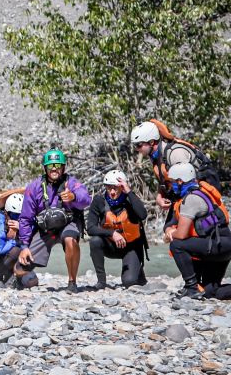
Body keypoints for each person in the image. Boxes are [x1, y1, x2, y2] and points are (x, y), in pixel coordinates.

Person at [16, 149, 92, 292]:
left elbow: (86, 199)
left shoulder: (72, 183)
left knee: (70, 240)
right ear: (45, 168)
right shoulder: (34, 187)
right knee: (20, 268)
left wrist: (73, 197)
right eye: (51, 166)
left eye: (58, 165)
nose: (55, 169)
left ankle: (72, 282)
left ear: (63, 167)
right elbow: (25, 218)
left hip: (68, 223)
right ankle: (21, 278)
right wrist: (24, 246)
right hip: (46, 229)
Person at [164, 163, 231, 299]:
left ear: (180, 181)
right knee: (210, 292)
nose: (170, 185)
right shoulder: (199, 190)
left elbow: (181, 234)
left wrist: (170, 234)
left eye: (171, 182)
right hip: (221, 245)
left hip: (217, 245)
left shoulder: (191, 199)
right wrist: (170, 227)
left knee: (177, 245)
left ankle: (191, 287)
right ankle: (197, 288)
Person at [130, 120, 222, 215]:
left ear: (152, 142)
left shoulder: (175, 154)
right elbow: (165, 179)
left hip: (198, 199)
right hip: (182, 197)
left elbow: (188, 185)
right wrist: (159, 196)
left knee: (172, 229)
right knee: (168, 228)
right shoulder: (156, 156)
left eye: (139, 145)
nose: (137, 149)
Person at [86, 170, 148, 289]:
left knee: (129, 282)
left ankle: (138, 273)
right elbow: (90, 228)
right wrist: (112, 233)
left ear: (122, 187)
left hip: (130, 247)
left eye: (116, 188)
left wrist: (128, 191)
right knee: (95, 241)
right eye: (109, 188)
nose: (112, 192)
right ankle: (101, 281)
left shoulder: (129, 200)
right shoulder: (99, 201)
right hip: (111, 246)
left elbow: (143, 215)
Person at [0, 191, 37, 287]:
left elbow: (35, 234)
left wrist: (21, 229)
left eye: (20, 215)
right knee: (17, 250)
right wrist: (15, 241)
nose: (17, 218)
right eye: (14, 215)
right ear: (6, 212)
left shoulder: (23, 221)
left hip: (9, 259)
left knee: (32, 281)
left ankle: (12, 276)